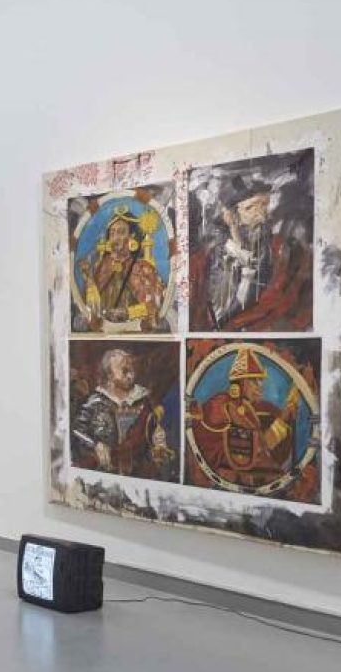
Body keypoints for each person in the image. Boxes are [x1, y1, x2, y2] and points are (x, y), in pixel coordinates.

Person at [187, 347, 300, 490]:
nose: (260, 387)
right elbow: (251, 449)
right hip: (231, 475)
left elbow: (266, 447)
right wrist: (278, 426)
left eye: (260, 382)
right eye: (254, 382)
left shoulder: (255, 407)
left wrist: (286, 416)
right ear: (240, 383)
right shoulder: (221, 405)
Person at [199, 187, 309, 331]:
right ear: (231, 217)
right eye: (250, 208)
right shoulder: (217, 254)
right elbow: (215, 307)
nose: (260, 214)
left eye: (264, 205)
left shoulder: (278, 248)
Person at [72, 347, 175, 480]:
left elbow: (154, 427)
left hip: (139, 473)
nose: (130, 376)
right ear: (110, 374)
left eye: (131, 370)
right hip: (105, 473)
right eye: (124, 371)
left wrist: (159, 443)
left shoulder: (144, 399)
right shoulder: (95, 402)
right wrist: (95, 444)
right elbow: (76, 430)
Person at [77, 205, 167, 331]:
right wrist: (89, 280)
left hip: (134, 330)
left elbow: (156, 303)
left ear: (132, 236)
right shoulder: (101, 266)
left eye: (121, 232)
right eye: (112, 233)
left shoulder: (142, 268)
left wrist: (127, 313)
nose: (115, 238)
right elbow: (90, 308)